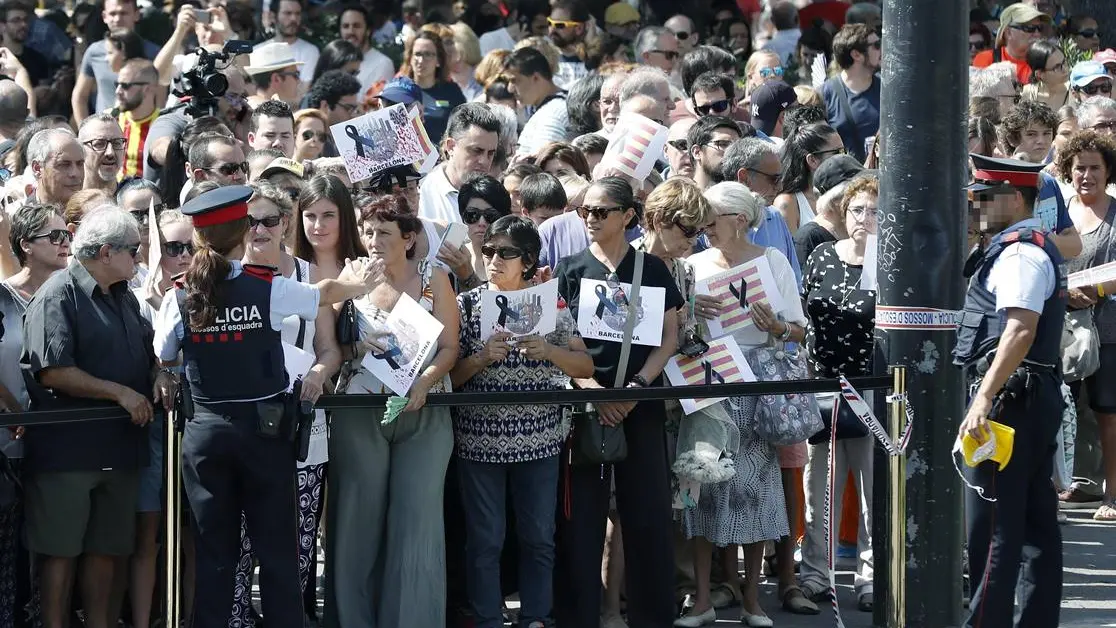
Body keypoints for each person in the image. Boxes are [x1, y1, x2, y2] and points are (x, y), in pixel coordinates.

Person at [152, 185, 380, 628]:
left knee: (215, 555)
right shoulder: (267, 287)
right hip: (264, 435)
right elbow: (324, 293)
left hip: (206, 436)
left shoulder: (179, 295)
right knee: (278, 553)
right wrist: (363, 282)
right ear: (242, 230)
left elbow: (165, 354)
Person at [21, 207, 174, 628]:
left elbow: (148, 357)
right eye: (133, 252)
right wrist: (120, 393)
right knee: (61, 555)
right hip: (68, 452)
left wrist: (159, 375)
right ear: (107, 252)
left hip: (121, 449)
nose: (139, 261)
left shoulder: (124, 296)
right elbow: (52, 369)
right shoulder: (58, 293)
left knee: (108, 552)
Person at [323, 194, 460, 628]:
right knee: (357, 520)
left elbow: (451, 347)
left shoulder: (435, 279)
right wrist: (352, 347)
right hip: (360, 407)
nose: (373, 240)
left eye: (383, 232)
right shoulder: (350, 276)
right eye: (367, 231)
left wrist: (425, 382)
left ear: (409, 237)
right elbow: (329, 346)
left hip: (424, 409)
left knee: (415, 523)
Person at [450, 214, 593, 628]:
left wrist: (550, 352)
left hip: (540, 437)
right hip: (479, 440)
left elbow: (583, 364)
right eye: (488, 250)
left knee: (538, 536)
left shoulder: (553, 303)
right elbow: (449, 379)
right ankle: (489, 618)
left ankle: (536, 616)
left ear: (529, 260)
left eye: (505, 253)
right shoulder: (467, 304)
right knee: (485, 539)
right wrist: (479, 358)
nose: (492, 259)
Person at [552, 176, 682, 628]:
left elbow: (670, 337)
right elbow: (559, 339)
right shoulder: (569, 268)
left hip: (640, 402)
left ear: (628, 216)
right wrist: (592, 392)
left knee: (646, 512)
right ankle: (578, 615)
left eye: (601, 211)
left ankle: (651, 616)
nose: (590, 218)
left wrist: (638, 387)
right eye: (585, 210)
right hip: (584, 404)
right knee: (580, 517)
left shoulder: (654, 269)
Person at [953, 154, 1065, 627]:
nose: (974, 205)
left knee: (993, 526)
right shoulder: (1019, 247)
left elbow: (1019, 331)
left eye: (984, 197)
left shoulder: (1019, 253)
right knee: (1036, 525)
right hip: (1027, 397)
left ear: (1014, 200)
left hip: (1009, 401)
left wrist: (983, 398)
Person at [799, 174, 880, 612]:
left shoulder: (890, 263)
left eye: (873, 211)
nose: (864, 219)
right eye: (856, 210)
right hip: (824, 385)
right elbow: (806, 315)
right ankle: (815, 573)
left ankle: (869, 576)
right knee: (821, 487)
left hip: (870, 389)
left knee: (871, 490)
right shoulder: (823, 255)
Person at [0, 202, 69, 626]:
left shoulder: (71, 296)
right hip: (5, 446)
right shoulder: (1, 296)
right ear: (25, 245)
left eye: (67, 236)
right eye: (54, 237)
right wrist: (10, 406)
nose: (65, 244)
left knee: (51, 549)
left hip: (58, 448)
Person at [1056, 131, 1116, 520]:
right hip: (1060, 330)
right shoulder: (1058, 211)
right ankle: (1055, 490)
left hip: (1109, 331)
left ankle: (1112, 495)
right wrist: (1064, 292)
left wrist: (1093, 288)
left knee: (1108, 413)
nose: (1087, 175)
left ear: (1108, 171)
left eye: (1095, 167)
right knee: (1055, 415)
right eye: (1080, 168)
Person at [399, 30, 468, 145]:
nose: (421, 61)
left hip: (442, 159)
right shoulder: (398, 91)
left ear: (439, 61)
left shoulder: (451, 91)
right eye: (417, 54)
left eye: (428, 55)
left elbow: (464, 130)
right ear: (410, 58)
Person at [774, 121, 845, 232]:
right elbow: (791, 249)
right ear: (812, 160)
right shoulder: (787, 204)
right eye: (837, 152)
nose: (844, 157)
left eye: (844, 151)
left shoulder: (846, 193)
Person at [1022, 40, 1069, 111]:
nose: (1065, 69)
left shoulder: (1075, 93)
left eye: (1064, 61)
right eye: (1057, 67)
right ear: (1039, 74)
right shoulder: (1028, 94)